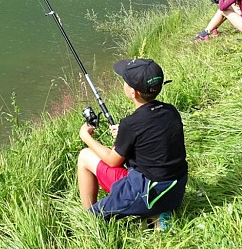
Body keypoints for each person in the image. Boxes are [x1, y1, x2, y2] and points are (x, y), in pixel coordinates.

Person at [77, 58, 188, 220]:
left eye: (125, 81)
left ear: (133, 92)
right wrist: (125, 135)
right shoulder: (171, 112)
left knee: (85, 156)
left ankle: (89, 217)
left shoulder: (131, 124)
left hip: (149, 195)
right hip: (174, 193)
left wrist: (86, 137)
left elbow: (112, 161)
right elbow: (154, 141)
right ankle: (159, 214)